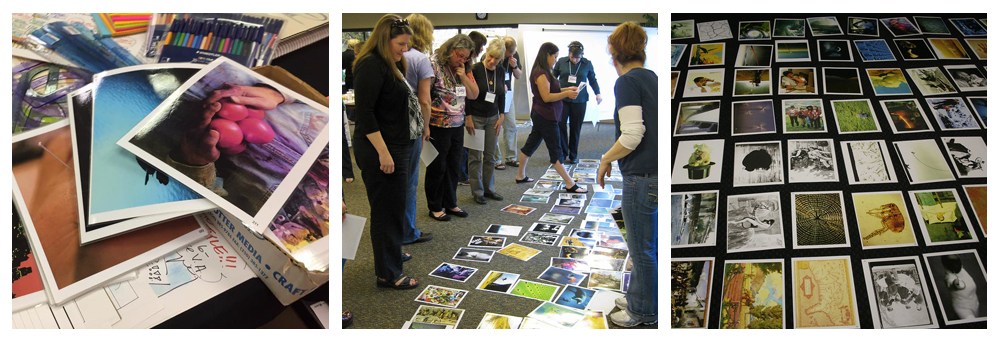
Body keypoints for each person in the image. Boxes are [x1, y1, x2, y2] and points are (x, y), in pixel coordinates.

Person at [351, 14, 421, 290]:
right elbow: (365, 114)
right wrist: (383, 152)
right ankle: (388, 274)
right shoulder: (370, 65)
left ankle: (390, 254)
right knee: (386, 212)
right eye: (401, 44)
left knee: (394, 207)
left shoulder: (390, 64)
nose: (404, 50)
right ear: (384, 39)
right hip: (381, 148)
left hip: (397, 144)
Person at [597, 21, 658, 327]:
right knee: (650, 244)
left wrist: (605, 159)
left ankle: (644, 311)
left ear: (615, 52)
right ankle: (641, 298)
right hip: (657, 173)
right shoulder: (653, 77)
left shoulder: (626, 82)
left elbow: (633, 134)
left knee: (641, 248)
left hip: (642, 176)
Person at [514, 42, 586, 194]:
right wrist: (566, 94)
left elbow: (552, 89)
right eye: (554, 57)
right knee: (556, 151)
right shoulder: (541, 73)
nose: (555, 60)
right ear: (547, 55)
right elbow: (546, 97)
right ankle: (569, 183)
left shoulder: (545, 71)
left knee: (531, 144)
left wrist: (567, 89)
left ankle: (520, 175)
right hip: (545, 115)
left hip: (544, 114)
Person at [426, 34, 478, 221]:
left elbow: (474, 94)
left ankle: (451, 203)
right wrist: (425, 126)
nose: (462, 60)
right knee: (437, 166)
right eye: (460, 55)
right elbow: (424, 95)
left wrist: (463, 76)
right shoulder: (433, 63)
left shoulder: (464, 68)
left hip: (457, 123)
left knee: (454, 165)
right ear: (450, 50)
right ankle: (435, 206)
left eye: (466, 57)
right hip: (437, 123)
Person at [400, 13, 435, 244]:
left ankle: (400, 227)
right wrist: (426, 126)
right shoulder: (421, 59)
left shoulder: (396, 54)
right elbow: (425, 100)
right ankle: (408, 232)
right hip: (411, 123)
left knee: (398, 180)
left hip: (392, 123)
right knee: (410, 182)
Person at [465, 38, 507, 205]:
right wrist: (468, 117)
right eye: (490, 57)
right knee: (475, 156)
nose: (492, 61)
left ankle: (489, 189)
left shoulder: (501, 71)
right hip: (475, 117)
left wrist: (501, 115)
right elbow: (467, 95)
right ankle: (477, 191)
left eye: (496, 59)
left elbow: (501, 94)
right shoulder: (475, 69)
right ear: (485, 53)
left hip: (493, 118)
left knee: (490, 156)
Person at [553, 41, 602, 164]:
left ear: (582, 55)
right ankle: (563, 153)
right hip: (563, 99)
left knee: (575, 128)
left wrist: (598, 93)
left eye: (577, 58)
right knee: (561, 126)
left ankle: (573, 154)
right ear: (568, 54)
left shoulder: (587, 64)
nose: (575, 60)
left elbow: (592, 80)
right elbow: (553, 78)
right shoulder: (561, 62)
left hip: (579, 101)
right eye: (572, 57)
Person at [497, 36, 523, 170]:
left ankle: (511, 157)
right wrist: (500, 85)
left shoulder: (514, 55)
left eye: (513, 52)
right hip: (494, 96)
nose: (511, 55)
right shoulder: (493, 55)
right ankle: (496, 159)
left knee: (511, 125)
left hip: (508, 95)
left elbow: (518, 76)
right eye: (509, 53)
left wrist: (515, 66)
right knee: (494, 127)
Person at [941, 255, 981, 319]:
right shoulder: (948, 278)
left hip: (975, 303)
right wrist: (956, 284)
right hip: (963, 308)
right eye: (952, 264)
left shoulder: (961, 269)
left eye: (957, 262)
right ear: (946, 266)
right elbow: (953, 285)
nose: (956, 265)